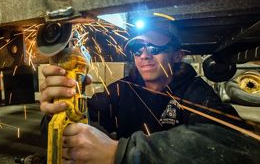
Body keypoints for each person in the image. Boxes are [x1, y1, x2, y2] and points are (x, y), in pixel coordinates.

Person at [39, 22, 260, 164]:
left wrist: (119, 153)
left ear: (177, 55)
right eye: (137, 49)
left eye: (154, 49)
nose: (144, 56)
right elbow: (82, 124)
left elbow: (239, 143)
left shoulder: (194, 91)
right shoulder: (122, 88)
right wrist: (59, 110)